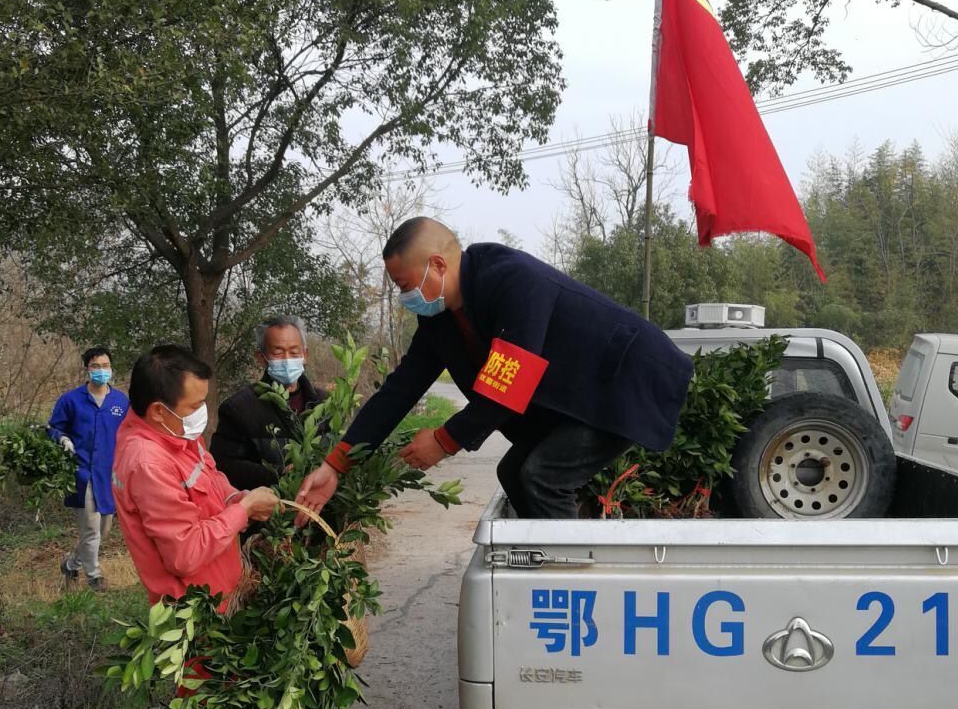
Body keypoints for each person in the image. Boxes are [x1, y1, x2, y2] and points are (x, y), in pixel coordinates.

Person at [296, 218, 694, 520]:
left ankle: (569, 584)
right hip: (582, 396)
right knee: (514, 470)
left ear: (436, 265)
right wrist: (335, 465)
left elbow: (510, 379)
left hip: (623, 382)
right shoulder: (439, 322)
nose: (403, 297)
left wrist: (445, 438)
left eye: (403, 285)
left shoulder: (511, 279)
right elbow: (399, 391)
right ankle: (551, 565)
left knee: (541, 476)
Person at [112, 344, 307, 709]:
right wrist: (243, 515)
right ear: (156, 411)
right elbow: (185, 551)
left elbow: (213, 480)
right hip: (198, 628)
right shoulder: (146, 462)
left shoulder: (177, 441)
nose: (201, 416)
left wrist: (240, 500)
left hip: (225, 610)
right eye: (192, 407)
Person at [48, 346, 130, 591]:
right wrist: (62, 439)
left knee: (103, 529)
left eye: (105, 366)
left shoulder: (120, 401)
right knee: (91, 528)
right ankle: (94, 577)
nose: (101, 371)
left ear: (111, 369)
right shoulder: (71, 400)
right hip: (82, 472)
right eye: (96, 366)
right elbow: (54, 428)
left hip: (110, 475)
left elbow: (130, 434)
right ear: (87, 369)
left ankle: (71, 564)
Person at [210, 316, 323, 492]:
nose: (287, 359)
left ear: (305, 355)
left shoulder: (325, 403)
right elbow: (224, 466)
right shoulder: (239, 408)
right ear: (261, 358)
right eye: (278, 352)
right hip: (268, 510)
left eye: (294, 352)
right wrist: (277, 474)